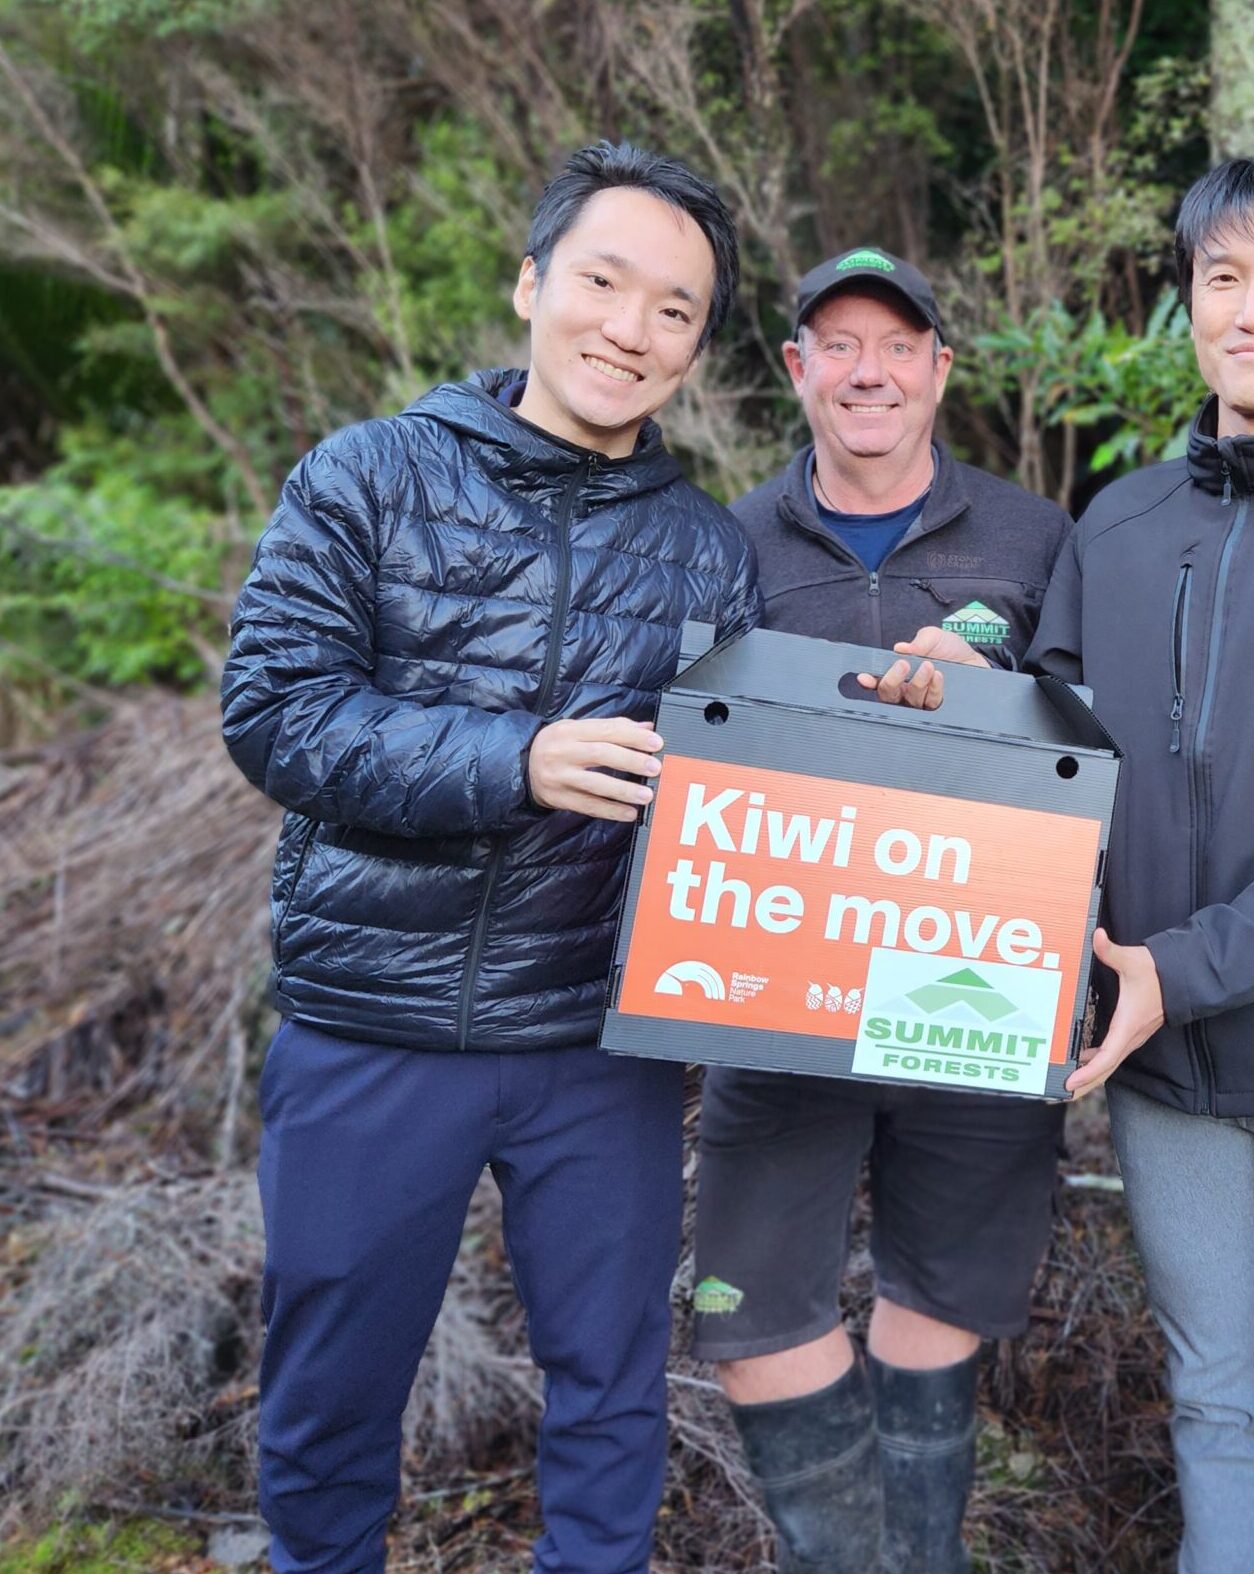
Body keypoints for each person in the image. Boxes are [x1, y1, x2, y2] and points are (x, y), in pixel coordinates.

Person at [221, 143, 932, 1574]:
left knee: (610, 1390)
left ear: (698, 347)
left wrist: (911, 715)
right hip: (374, 1028)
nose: (632, 327)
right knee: (326, 1396)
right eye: (605, 283)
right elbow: (276, 711)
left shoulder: (700, 550)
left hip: (595, 1047)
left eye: (675, 309)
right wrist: (513, 760)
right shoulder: (368, 474)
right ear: (533, 281)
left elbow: (750, 792)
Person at [908, 151, 1254, 1574]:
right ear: (1187, 306)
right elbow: (1056, 750)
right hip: (1161, 1073)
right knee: (1216, 1404)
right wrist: (950, 693)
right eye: (1222, 277)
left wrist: (1176, 969)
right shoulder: (1123, 519)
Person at [693, 246, 1071, 1574]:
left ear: (938, 370)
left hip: (965, 978)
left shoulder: (1034, 537)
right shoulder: (722, 542)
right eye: (836, 345)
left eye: (896, 345)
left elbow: (1096, 736)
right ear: (795, 370)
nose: (868, 370)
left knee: (940, 1300)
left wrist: (990, 684)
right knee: (748, 1308)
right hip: (776, 989)